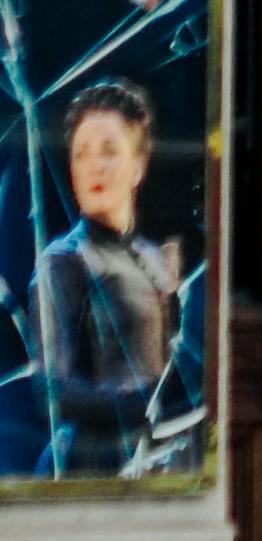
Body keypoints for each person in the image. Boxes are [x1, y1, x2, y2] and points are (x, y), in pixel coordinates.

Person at [34, 80, 183, 474]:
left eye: (109, 152)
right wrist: (148, 398)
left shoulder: (154, 257)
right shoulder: (63, 261)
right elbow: (54, 392)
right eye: (81, 154)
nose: (94, 166)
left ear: (138, 165)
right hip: (85, 468)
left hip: (153, 458)